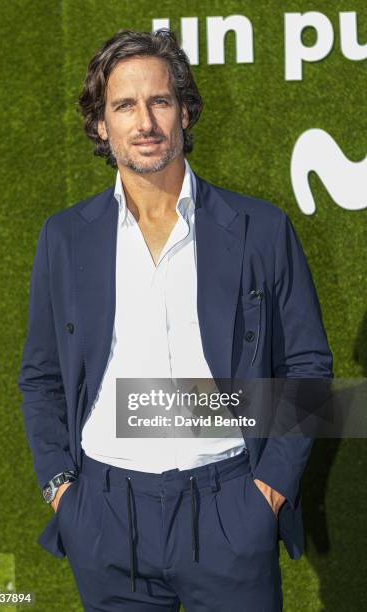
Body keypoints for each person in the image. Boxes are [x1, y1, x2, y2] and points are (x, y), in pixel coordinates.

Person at [17, 28, 333, 612]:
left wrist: (270, 489)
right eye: (124, 105)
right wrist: (62, 488)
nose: (145, 122)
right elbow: (40, 377)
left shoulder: (259, 228)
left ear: (185, 111)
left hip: (230, 506)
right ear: (99, 123)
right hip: (104, 515)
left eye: (160, 101)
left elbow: (308, 365)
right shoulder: (64, 238)